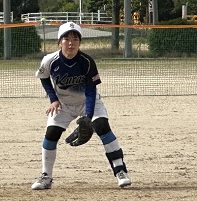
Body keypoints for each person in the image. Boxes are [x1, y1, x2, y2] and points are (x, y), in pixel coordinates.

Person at [31, 21, 131, 190]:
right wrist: (53, 99)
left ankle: (120, 171)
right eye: (67, 39)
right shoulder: (50, 60)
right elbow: (44, 78)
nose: (71, 43)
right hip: (63, 104)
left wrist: (88, 117)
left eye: (75, 39)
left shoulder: (86, 61)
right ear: (60, 42)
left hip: (87, 102)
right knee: (51, 134)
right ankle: (46, 176)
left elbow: (91, 91)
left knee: (102, 126)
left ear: (80, 42)